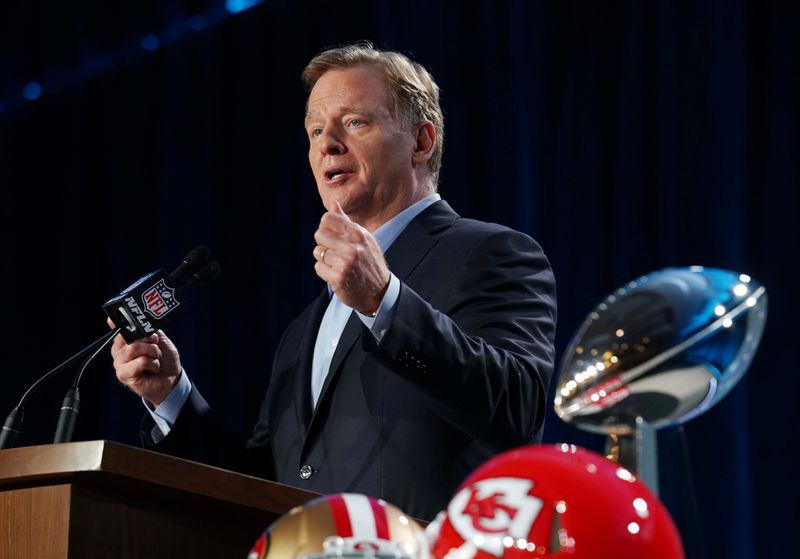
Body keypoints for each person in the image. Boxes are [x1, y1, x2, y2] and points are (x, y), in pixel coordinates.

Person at [109, 42, 557, 521]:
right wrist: (171, 394)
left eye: (355, 122)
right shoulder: (305, 330)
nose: (328, 144)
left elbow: (518, 407)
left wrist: (384, 302)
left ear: (422, 142)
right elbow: (261, 486)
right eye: (316, 130)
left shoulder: (490, 252)